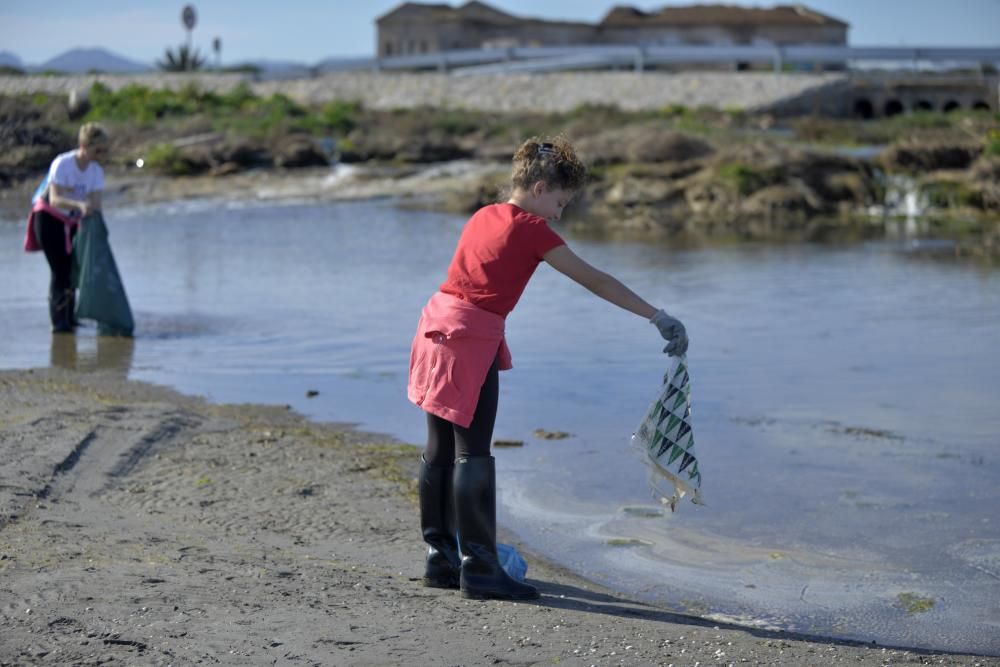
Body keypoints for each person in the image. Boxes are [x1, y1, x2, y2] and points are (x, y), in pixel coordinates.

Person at [407, 136, 689, 601]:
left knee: (438, 447)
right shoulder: (532, 229)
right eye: (560, 202)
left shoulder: (482, 215)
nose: (559, 214)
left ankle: (441, 558)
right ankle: (479, 568)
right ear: (539, 188)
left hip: (434, 326)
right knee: (472, 452)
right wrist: (657, 316)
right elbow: (595, 279)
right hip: (469, 338)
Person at [32, 122, 109, 333]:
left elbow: (96, 204)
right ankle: (58, 322)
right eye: (98, 150)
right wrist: (79, 205)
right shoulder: (63, 164)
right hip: (48, 218)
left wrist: (101, 233)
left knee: (74, 269)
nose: (101, 154)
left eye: (104, 150)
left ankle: (70, 318)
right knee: (60, 271)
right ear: (85, 146)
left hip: (74, 221)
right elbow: (56, 200)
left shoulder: (96, 171)